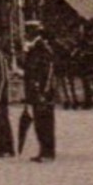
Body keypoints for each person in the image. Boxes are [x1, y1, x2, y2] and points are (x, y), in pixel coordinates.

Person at [21, 24, 57, 162]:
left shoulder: (41, 49)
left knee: (45, 123)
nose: (25, 35)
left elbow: (48, 72)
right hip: (36, 92)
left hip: (42, 92)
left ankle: (48, 153)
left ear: (33, 33)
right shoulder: (34, 48)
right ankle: (43, 151)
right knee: (39, 123)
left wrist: (44, 92)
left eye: (27, 32)